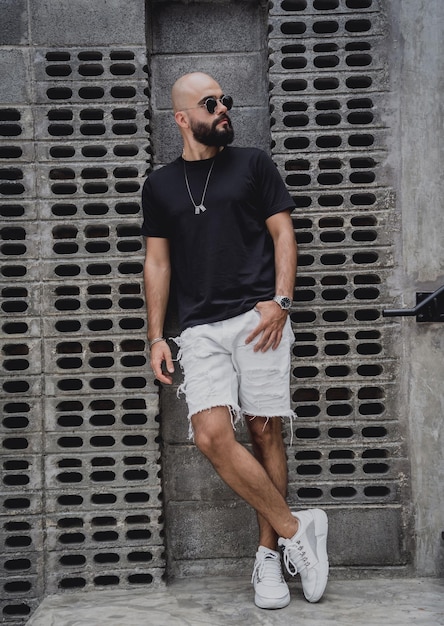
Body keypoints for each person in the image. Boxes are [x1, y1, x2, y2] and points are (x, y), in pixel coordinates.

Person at [141, 71, 329, 610]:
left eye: (226, 99)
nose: (223, 108)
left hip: (258, 318)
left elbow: (283, 232)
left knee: (265, 430)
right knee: (211, 436)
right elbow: (157, 262)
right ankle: (298, 530)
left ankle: (268, 557)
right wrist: (157, 335)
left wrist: (283, 300)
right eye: (209, 103)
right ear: (182, 117)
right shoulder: (159, 185)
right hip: (198, 328)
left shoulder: (253, 164)